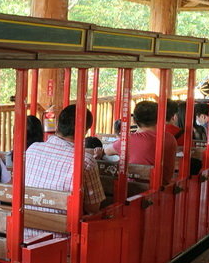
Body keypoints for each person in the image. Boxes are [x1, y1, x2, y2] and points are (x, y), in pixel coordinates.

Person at [25, 105, 105, 238]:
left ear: (58, 124)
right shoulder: (85, 161)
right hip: (62, 238)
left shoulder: (33, 149)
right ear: (84, 131)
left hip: (25, 232)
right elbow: (93, 208)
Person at [104, 100, 178, 185]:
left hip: (134, 190)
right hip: (163, 188)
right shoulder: (170, 138)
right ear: (159, 118)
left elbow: (107, 151)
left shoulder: (128, 139)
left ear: (135, 121)